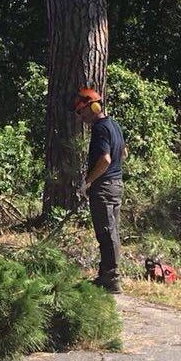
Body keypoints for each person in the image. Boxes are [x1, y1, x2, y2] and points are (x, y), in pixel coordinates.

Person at [76, 87, 125, 293]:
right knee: (111, 231)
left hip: (104, 186)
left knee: (106, 233)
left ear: (94, 107)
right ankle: (105, 274)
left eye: (83, 112)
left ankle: (112, 279)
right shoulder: (115, 125)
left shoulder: (100, 129)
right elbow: (123, 152)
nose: (82, 117)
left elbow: (105, 159)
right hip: (116, 185)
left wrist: (88, 182)